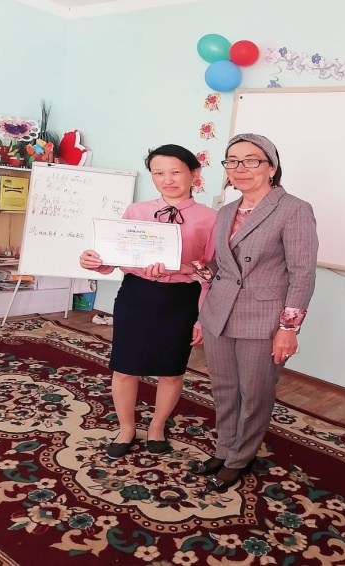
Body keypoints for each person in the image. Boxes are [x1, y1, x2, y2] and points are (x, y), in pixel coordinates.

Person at [194, 133, 319, 492]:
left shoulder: (294, 209)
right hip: (219, 314)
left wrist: (288, 328)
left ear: (272, 167)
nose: (240, 168)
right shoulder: (225, 211)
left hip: (263, 319)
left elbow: (302, 273)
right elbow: (223, 267)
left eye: (251, 160)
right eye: (232, 161)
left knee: (255, 393)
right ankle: (224, 448)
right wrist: (196, 270)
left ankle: (240, 457)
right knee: (224, 389)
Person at [79, 144, 216, 459]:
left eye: (175, 172)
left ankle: (156, 426)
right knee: (125, 367)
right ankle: (126, 428)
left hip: (181, 300)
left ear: (194, 174)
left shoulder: (212, 218)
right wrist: (94, 261)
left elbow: (214, 270)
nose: (167, 179)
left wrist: (202, 317)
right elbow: (115, 257)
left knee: (171, 370)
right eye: (158, 173)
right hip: (136, 295)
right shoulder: (136, 211)